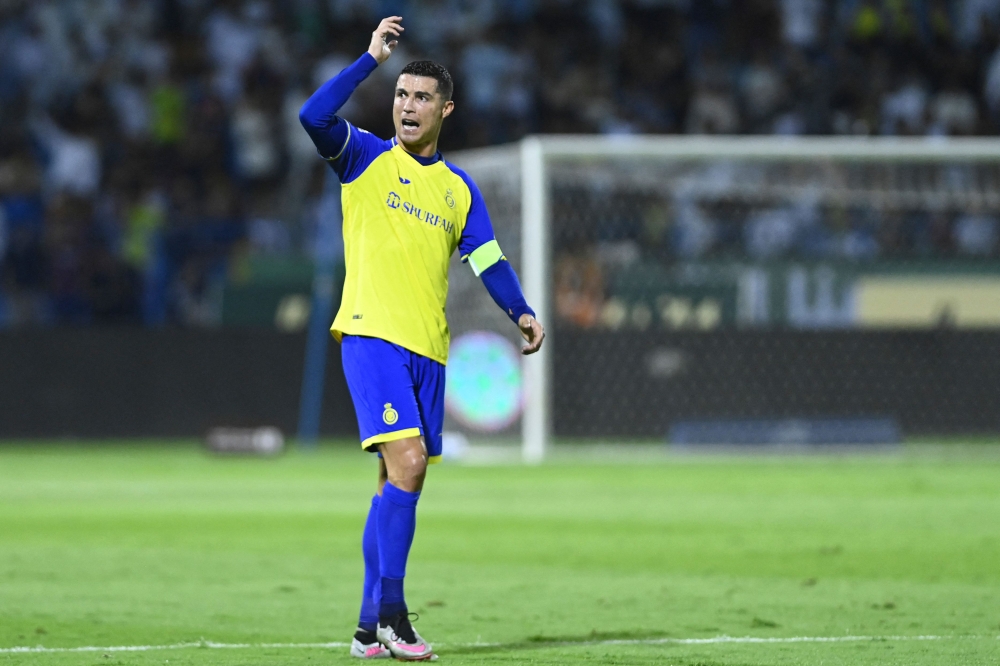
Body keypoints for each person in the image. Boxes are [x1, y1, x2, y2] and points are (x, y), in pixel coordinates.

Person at [299, 16, 545, 661]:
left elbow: (488, 258)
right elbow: (311, 115)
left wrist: (519, 310)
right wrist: (368, 60)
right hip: (372, 337)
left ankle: (363, 628)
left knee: (392, 484)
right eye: (401, 94)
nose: (407, 106)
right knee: (407, 466)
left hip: (428, 348)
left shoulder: (459, 189)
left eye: (421, 97)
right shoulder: (364, 157)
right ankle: (393, 617)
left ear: (446, 109)